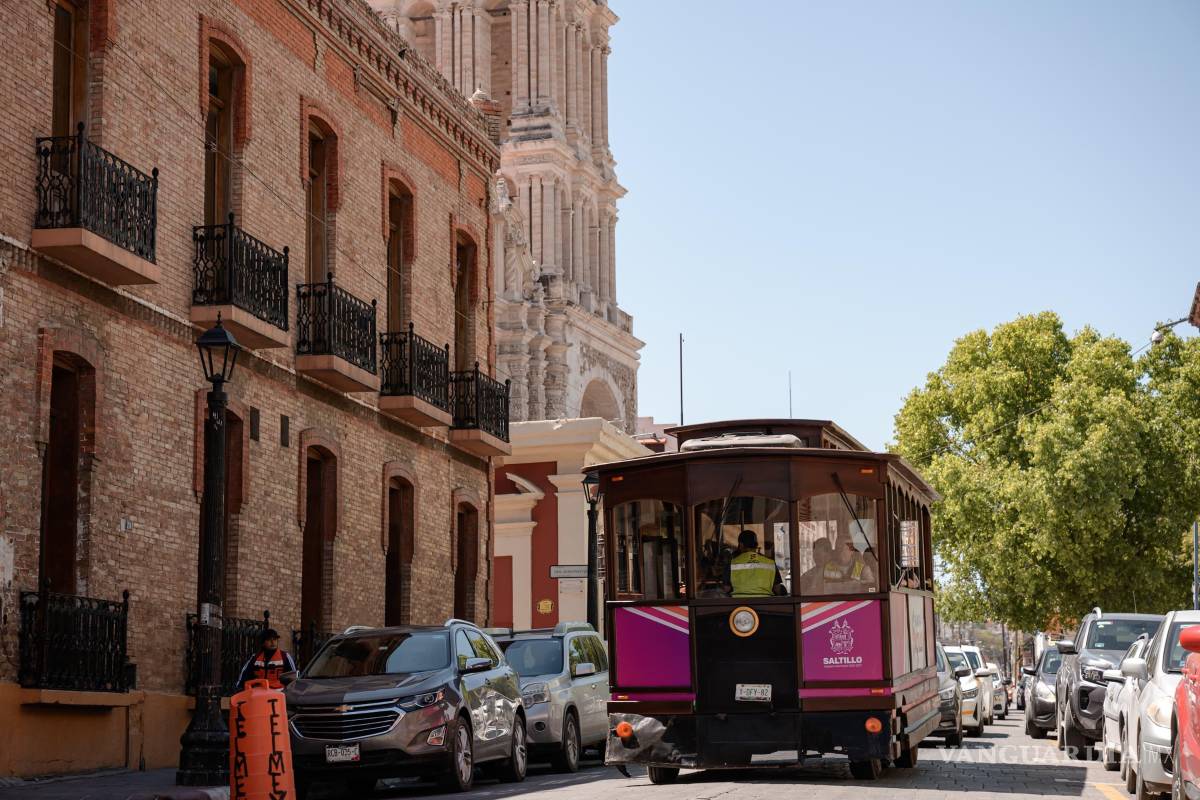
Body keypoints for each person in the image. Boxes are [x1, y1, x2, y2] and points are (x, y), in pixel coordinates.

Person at [725, 530, 786, 597]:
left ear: (741, 544)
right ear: (756, 545)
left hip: (739, 605)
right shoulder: (770, 563)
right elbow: (777, 589)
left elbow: (727, 589)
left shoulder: (732, 563)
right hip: (766, 604)